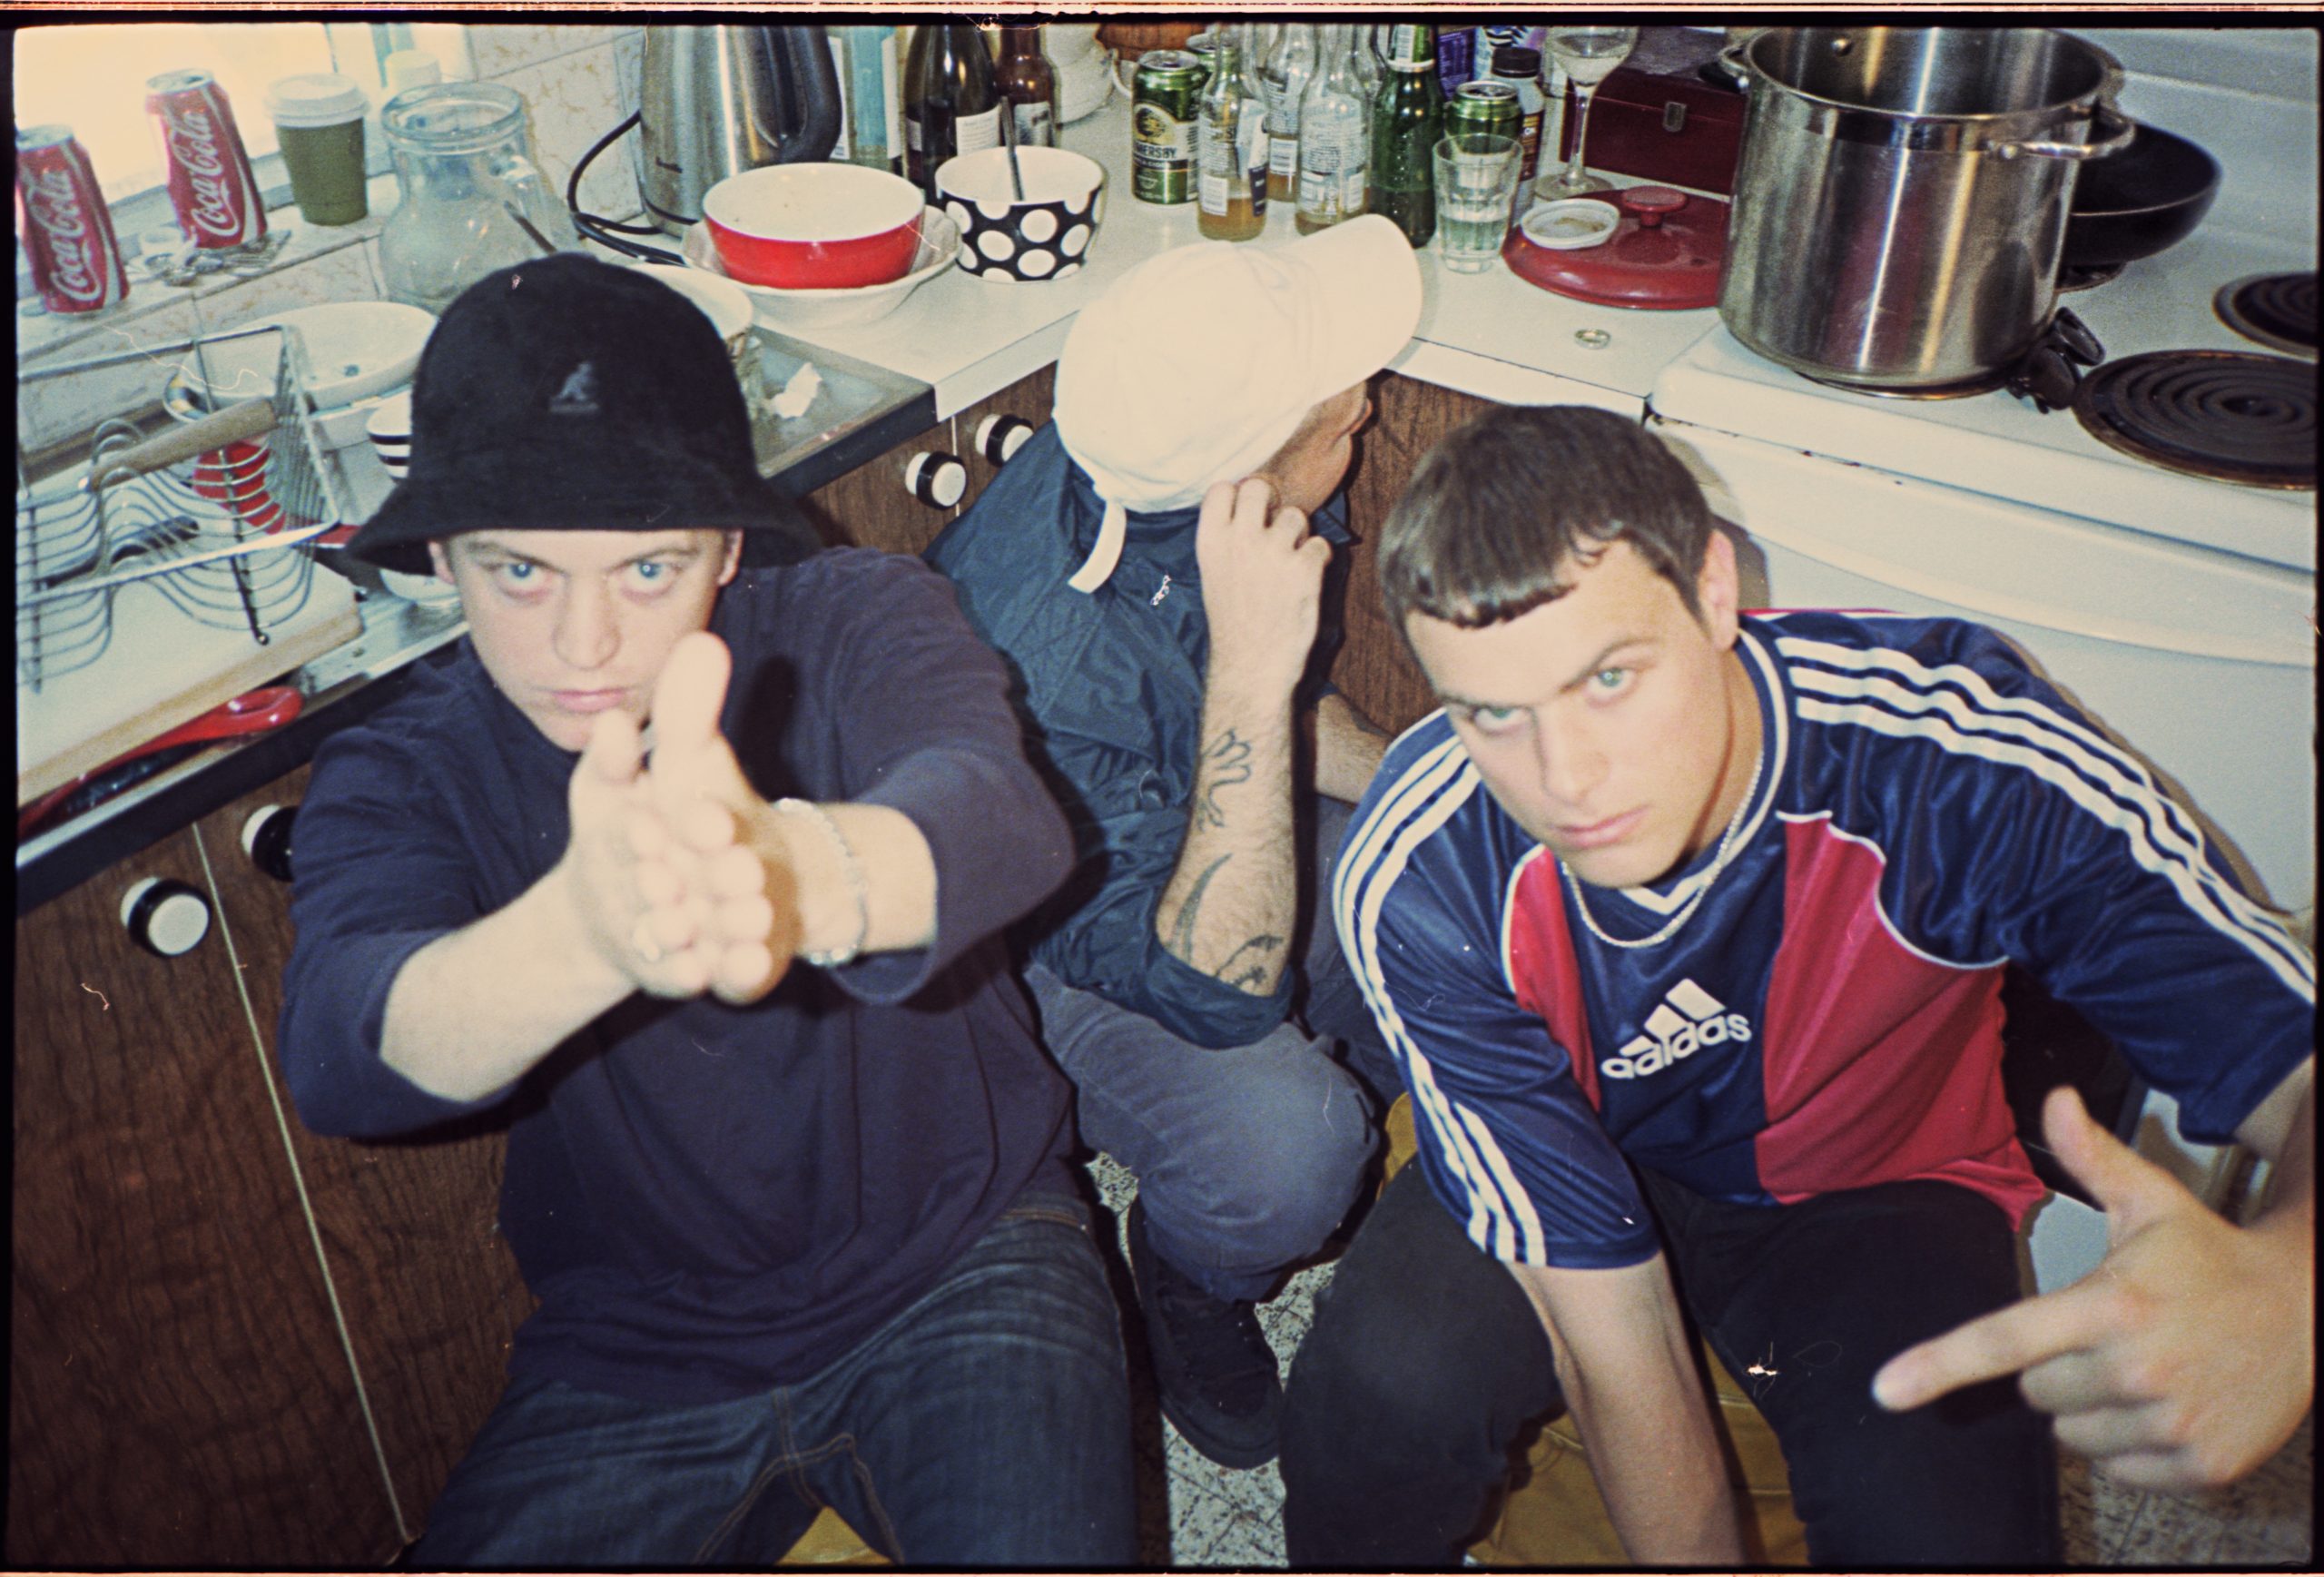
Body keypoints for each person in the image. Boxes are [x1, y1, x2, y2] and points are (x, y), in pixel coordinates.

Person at [1278, 405, 2314, 1565]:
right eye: (1493, 713)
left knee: (1945, 1535)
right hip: (1587, 1144)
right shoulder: (1425, 869)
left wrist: (2292, 1280)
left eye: (1609, 677)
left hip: (1881, 1180)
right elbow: (1606, 1337)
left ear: (1715, 591)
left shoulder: (1950, 755)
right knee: (1373, 1403)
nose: (1566, 779)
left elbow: (2295, 1056)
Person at [279, 255, 1136, 1566]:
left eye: (645, 568)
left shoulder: (856, 612)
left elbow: (1002, 816)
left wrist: (797, 876)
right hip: (639, 1340)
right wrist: (587, 933)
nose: (583, 645)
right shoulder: (403, 769)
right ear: (441, 557)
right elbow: (344, 1051)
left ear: (730, 547)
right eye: (520, 572)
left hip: (963, 1250)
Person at [923, 215, 1423, 1467]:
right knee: (1290, 1151)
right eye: (1337, 410)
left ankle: (1294, 1129)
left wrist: (1441, 778)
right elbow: (1209, 987)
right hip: (1024, 957)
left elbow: (1273, 711)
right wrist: (1253, 663)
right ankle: (1195, 1270)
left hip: (1166, 823)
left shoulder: (1163, 459)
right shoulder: (1048, 669)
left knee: (1433, 872)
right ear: (1244, 481)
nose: (1363, 404)